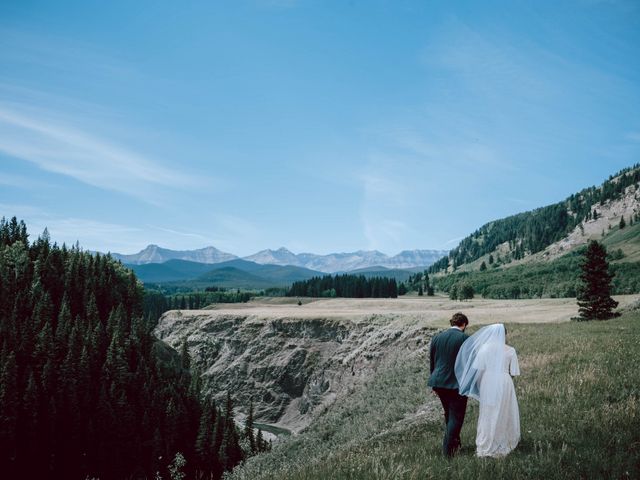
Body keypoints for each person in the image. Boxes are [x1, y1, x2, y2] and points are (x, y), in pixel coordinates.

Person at [455, 323, 520, 457]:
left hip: (487, 381)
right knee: (503, 410)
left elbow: (478, 370)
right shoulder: (510, 350)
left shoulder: (484, 349)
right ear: (504, 335)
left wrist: (481, 385)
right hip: (504, 381)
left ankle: (486, 444)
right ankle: (502, 441)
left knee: (487, 411)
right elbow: (513, 372)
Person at [428, 312, 470, 457]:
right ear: (464, 324)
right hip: (456, 384)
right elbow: (468, 364)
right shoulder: (465, 338)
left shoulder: (437, 337)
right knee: (457, 417)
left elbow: (433, 361)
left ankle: (455, 445)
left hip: (438, 381)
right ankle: (447, 452)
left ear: (451, 323)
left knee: (449, 414)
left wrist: (434, 383)